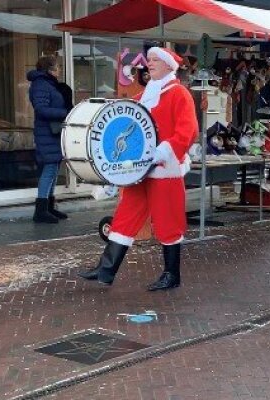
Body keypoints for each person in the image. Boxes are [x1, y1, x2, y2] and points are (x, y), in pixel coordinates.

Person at [77, 47, 197, 291]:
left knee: (168, 220)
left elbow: (188, 131)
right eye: (149, 60)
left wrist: (162, 152)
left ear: (167, 66)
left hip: (165, 169)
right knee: (125, 216)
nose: (149, 64)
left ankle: (172, 274)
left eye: (154, 60)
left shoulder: (179, 94)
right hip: (139, 170)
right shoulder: (145, 94)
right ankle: (106, 269)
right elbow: (126, 119)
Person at [27, 56, 73, 224]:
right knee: (49, 168)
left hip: (53, 131)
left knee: (53, 168)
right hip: (46, 132)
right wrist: (66, 113)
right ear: (50, 69)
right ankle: (40, 210)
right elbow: (41, 109)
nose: (59, 69)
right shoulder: (41, 84)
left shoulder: (48, 84)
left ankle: (49, 207)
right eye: (57, 67)